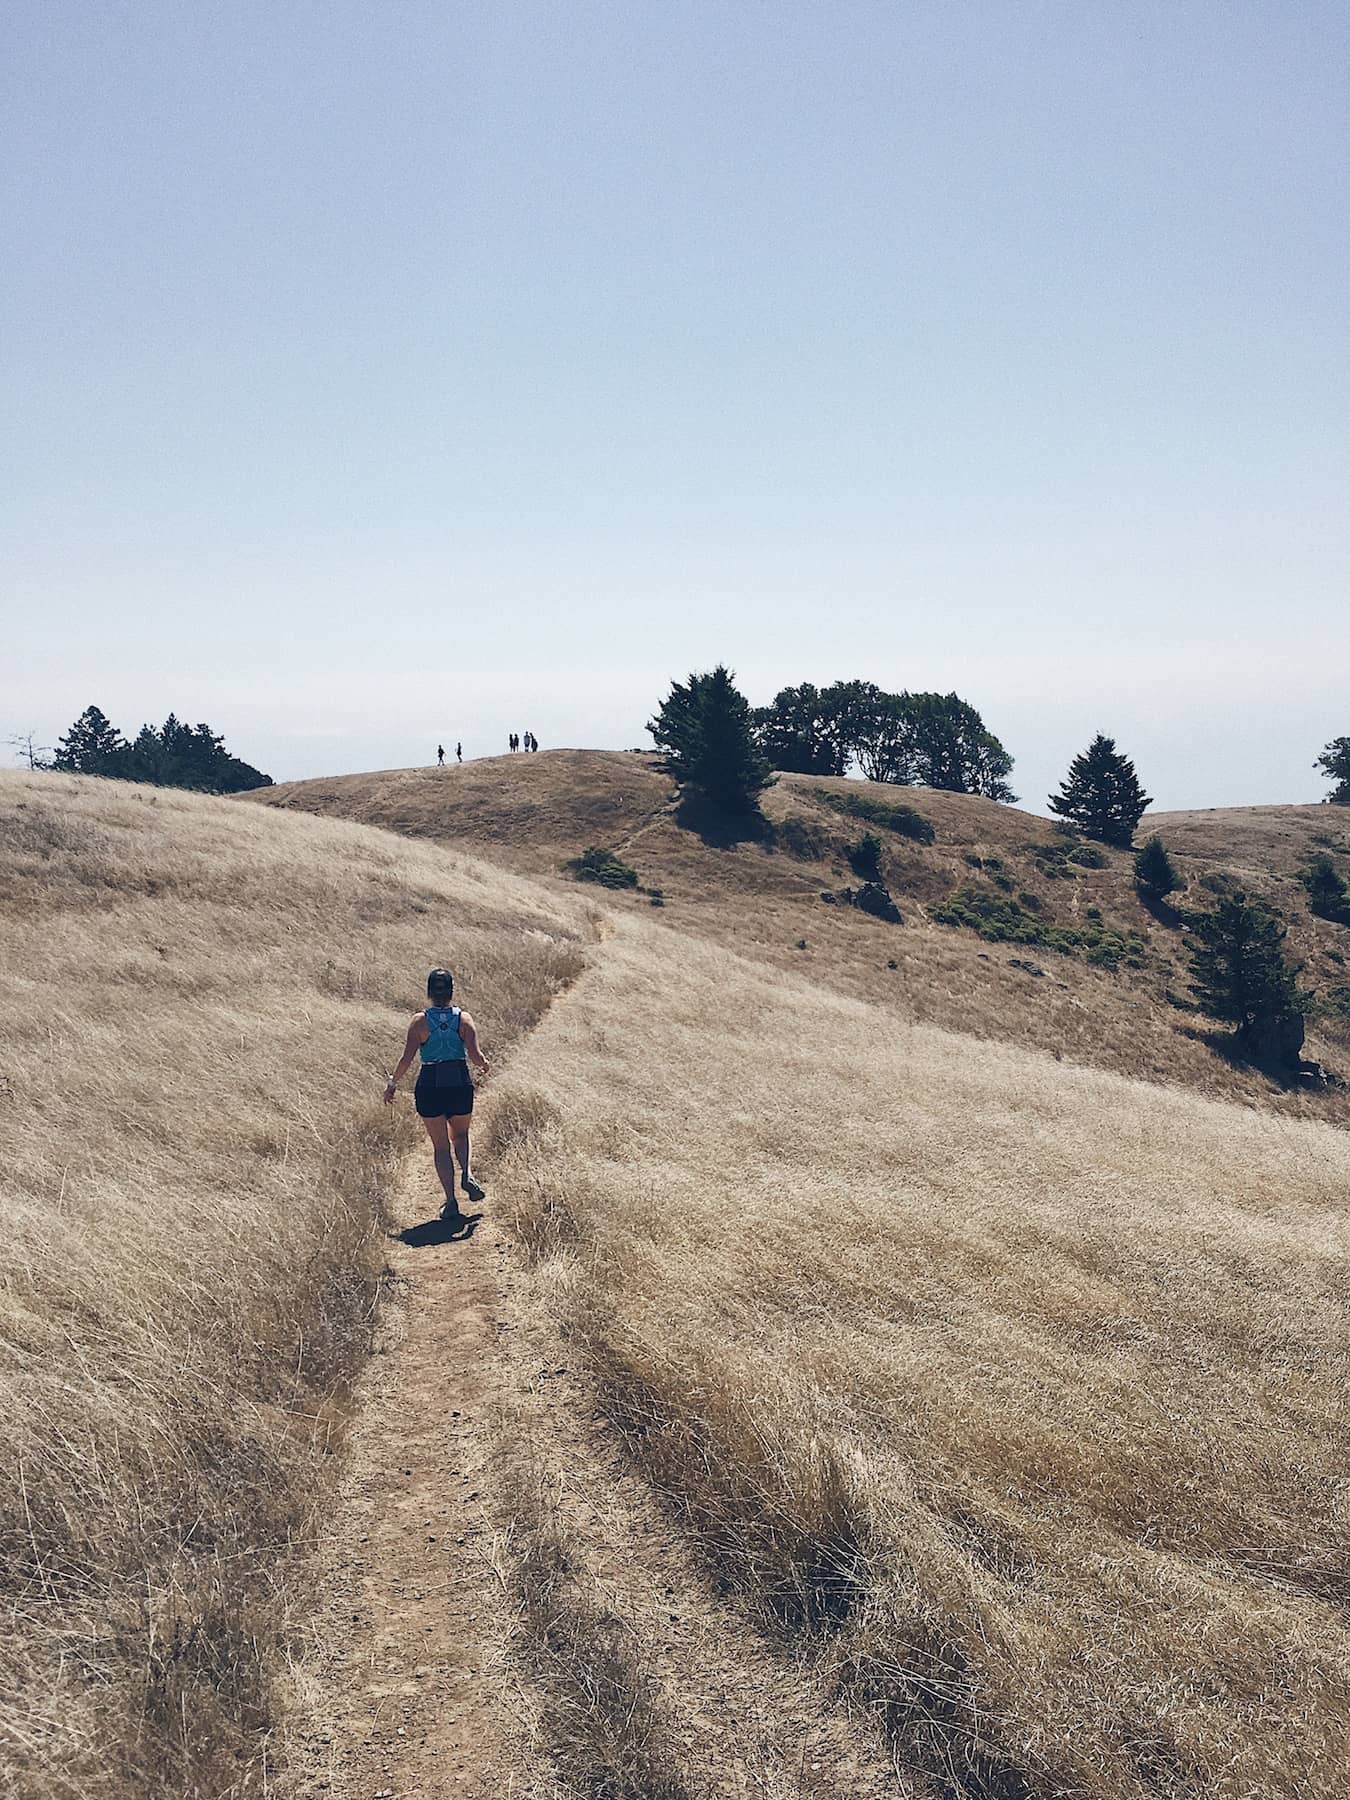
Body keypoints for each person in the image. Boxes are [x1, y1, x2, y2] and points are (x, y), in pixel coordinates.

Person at [383, 968, 489, 1218]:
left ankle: (450, 1201)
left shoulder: (419, 1022)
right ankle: (467, 1173)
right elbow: (475, 1056)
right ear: (451, 991)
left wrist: (392, 1083)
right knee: (461, 1135)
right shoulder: (463, 1019)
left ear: (429, 992)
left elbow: (406, 1059)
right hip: (459, 1081)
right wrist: (485, 1065)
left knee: (441, 1146)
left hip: (430, 1084)